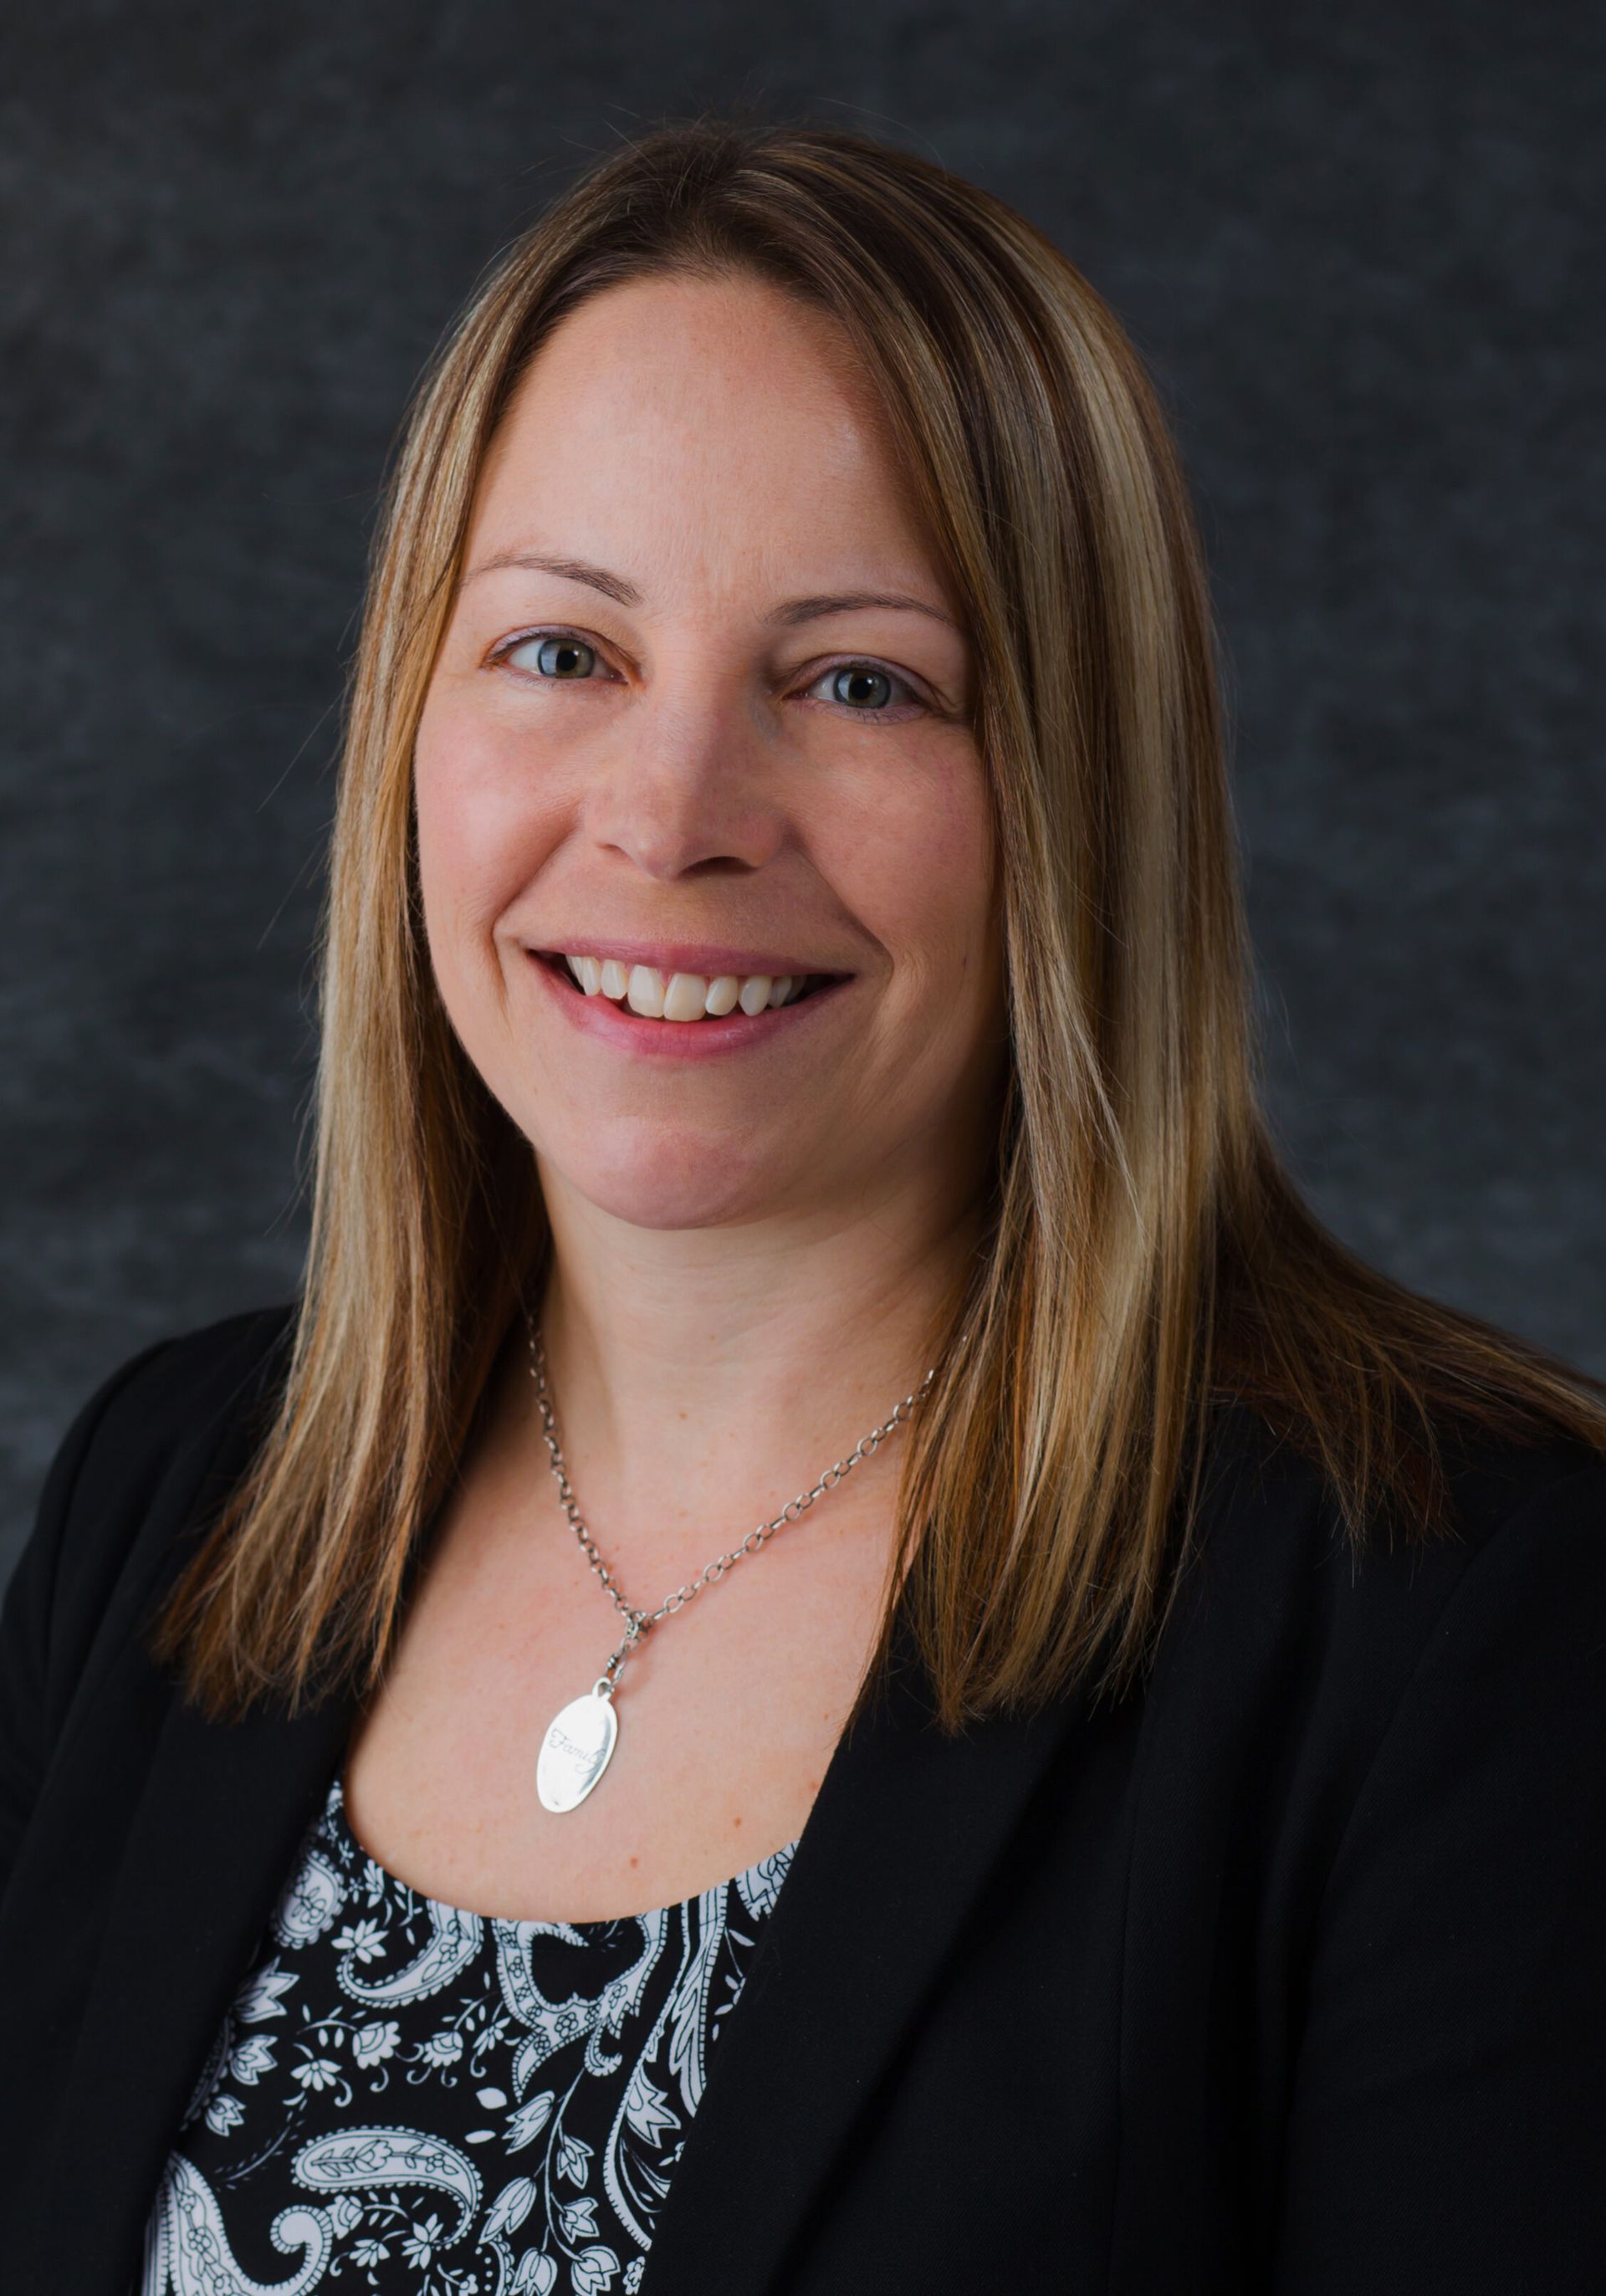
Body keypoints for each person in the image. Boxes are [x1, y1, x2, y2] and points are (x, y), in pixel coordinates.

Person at [2, 118, 1603, 2296]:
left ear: (1075, 789)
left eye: (859, 681)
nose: (671, 818)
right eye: (564, 650)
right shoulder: (174, 1507)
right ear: (415, 719)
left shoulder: (1462, 1620)